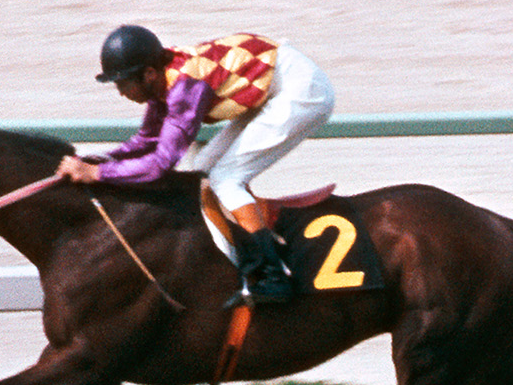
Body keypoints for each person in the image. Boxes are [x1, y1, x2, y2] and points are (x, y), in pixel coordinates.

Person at [57, 25, 336, 303]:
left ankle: (272, 276)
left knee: (226, 179)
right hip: (272, 85)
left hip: (300, 90)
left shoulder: (184, 88)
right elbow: (147, 139)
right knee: (201, 169)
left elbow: (159, 165)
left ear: (149, 74)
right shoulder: (162, 79)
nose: (120, 92)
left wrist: (98, 173)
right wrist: (99, 159)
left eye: (122, 83)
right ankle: (246, 247)